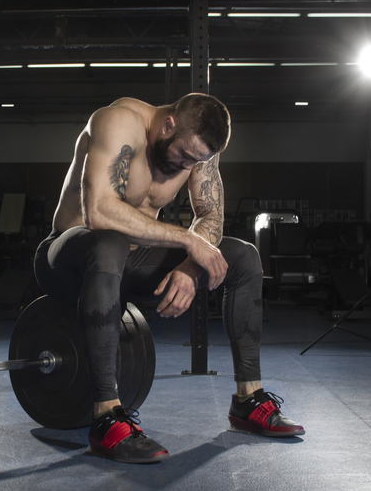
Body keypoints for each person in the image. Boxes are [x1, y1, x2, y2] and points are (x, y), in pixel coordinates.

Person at [34, 93, 304, 464]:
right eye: (186, 156)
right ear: (168, 125)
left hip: (128, 261)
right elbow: (99, 212)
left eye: (198, 161)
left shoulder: (199, 151)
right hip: (66, 262)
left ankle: (248, 399)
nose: (189, 165)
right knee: (109, 242)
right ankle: (106, 417)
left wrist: (192, 267)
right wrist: (187, 240)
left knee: (243, 256)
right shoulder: (118, 123)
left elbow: (210, 215)